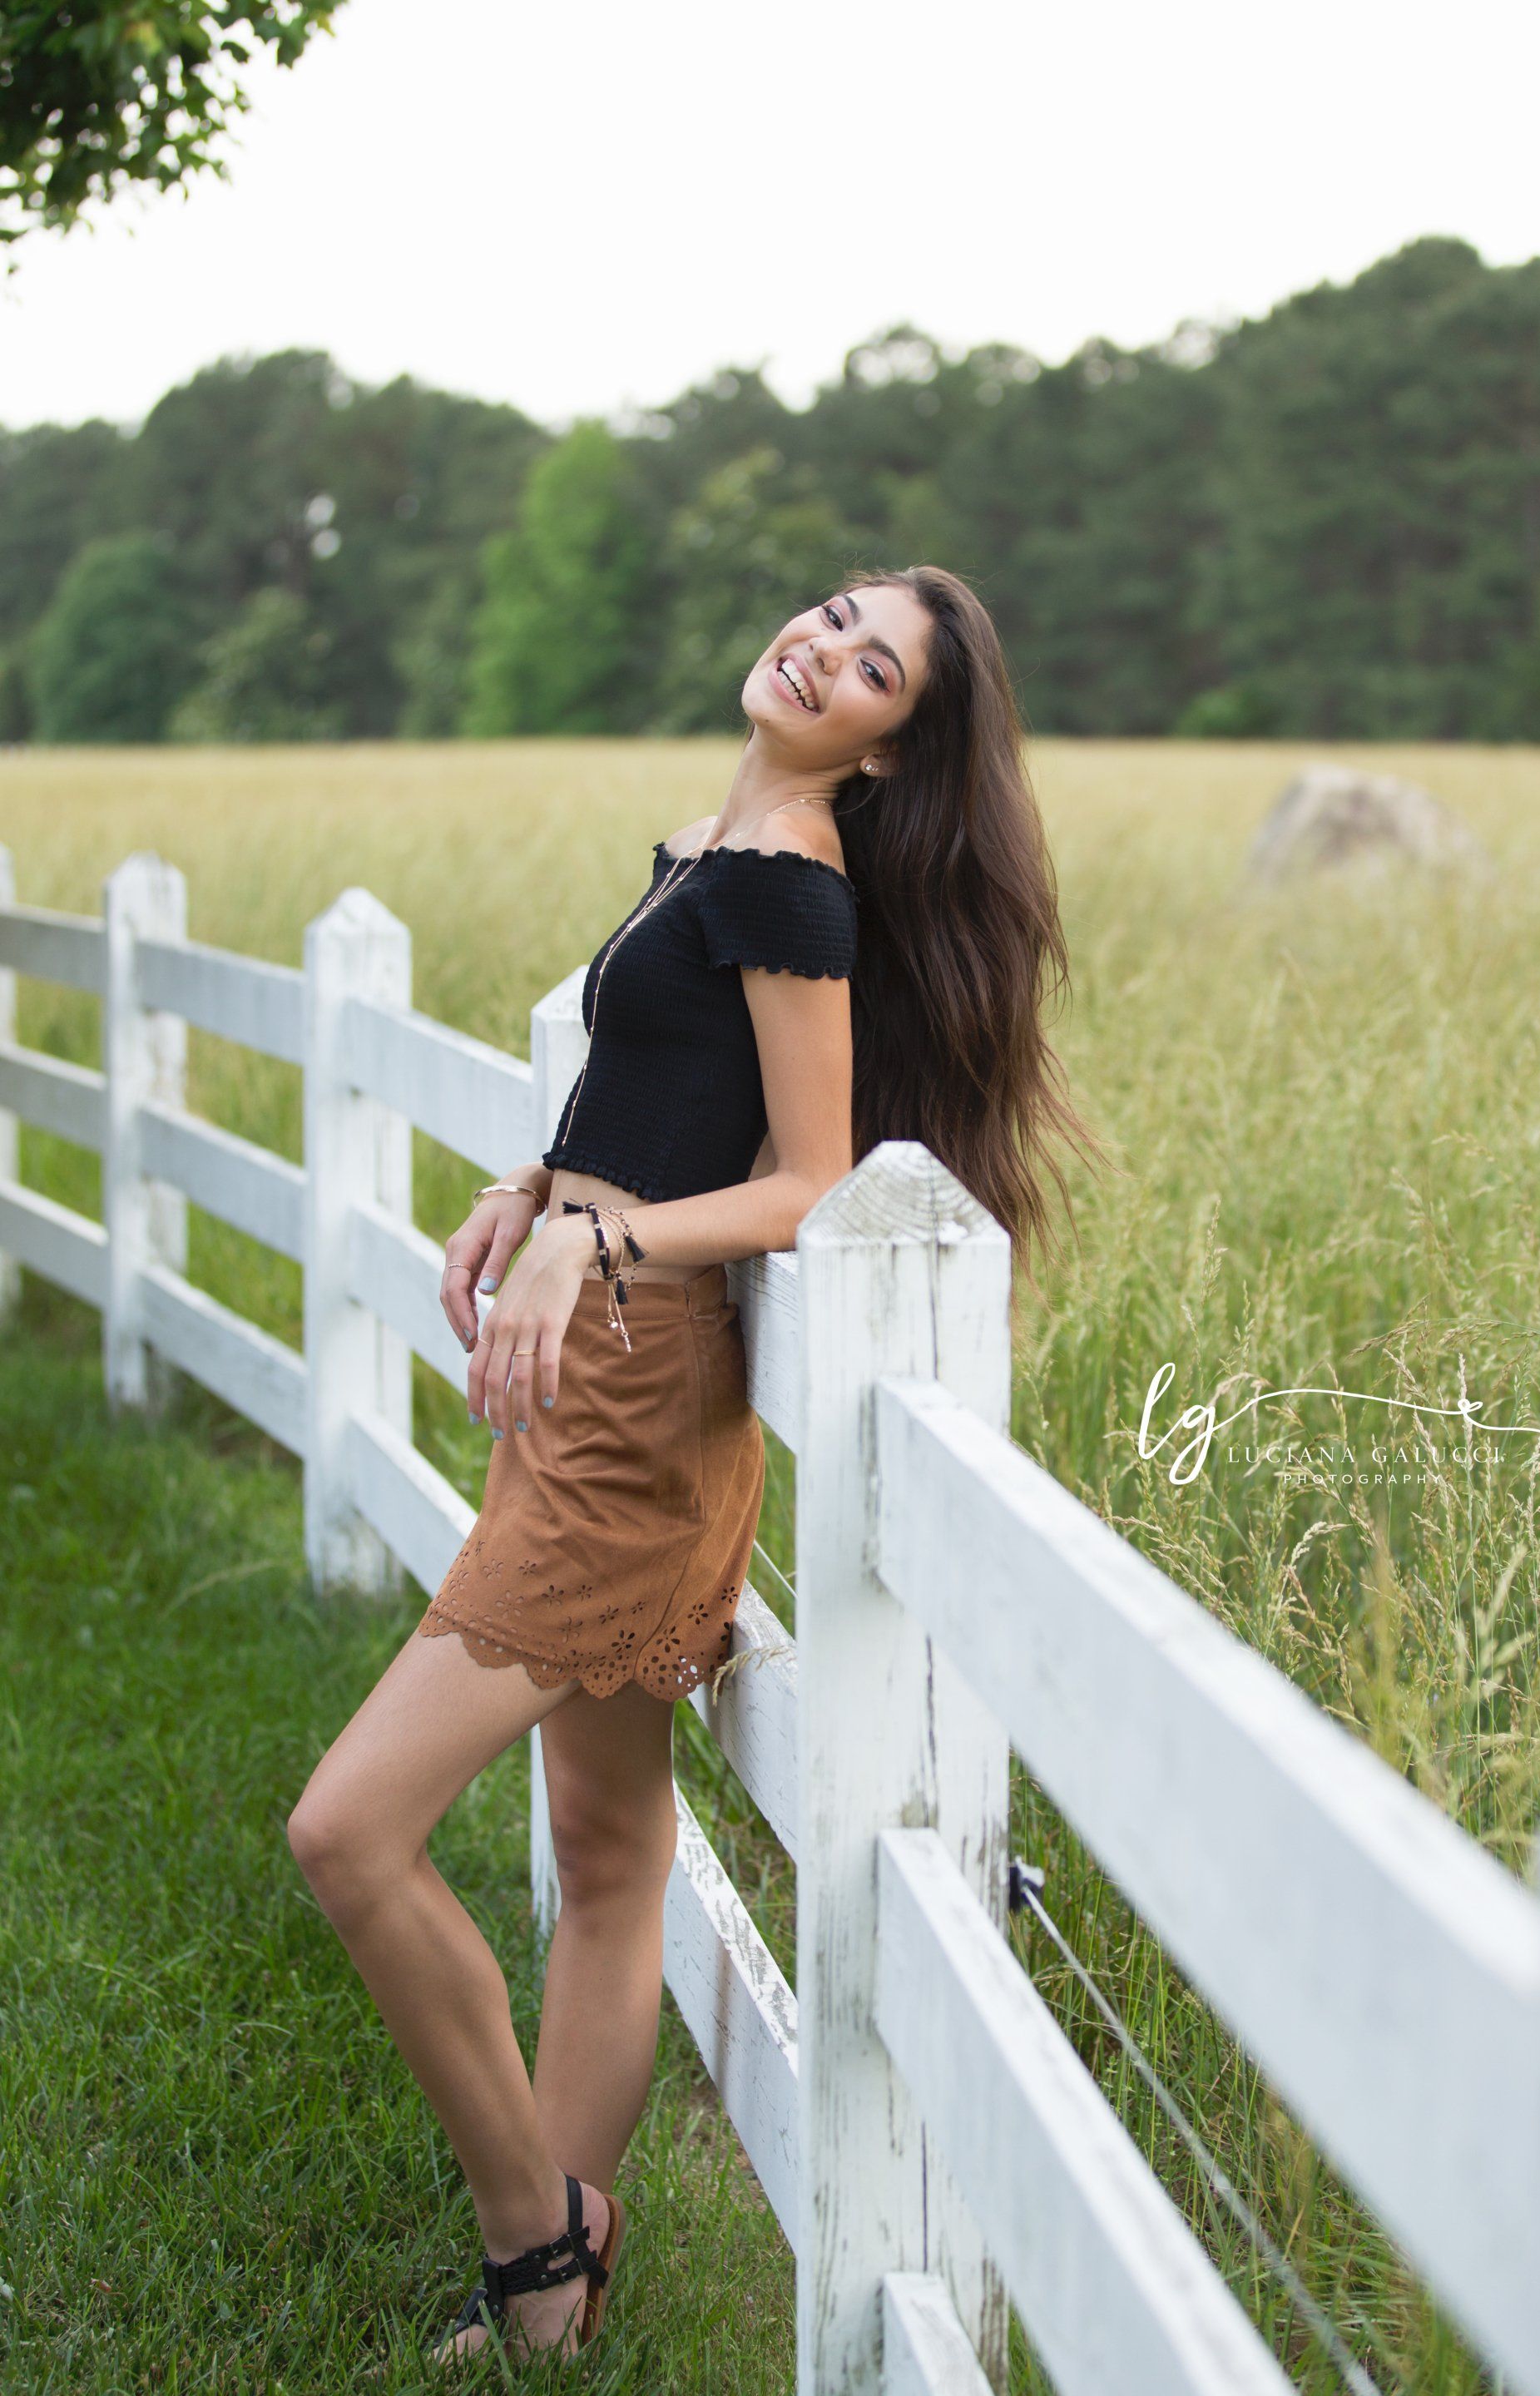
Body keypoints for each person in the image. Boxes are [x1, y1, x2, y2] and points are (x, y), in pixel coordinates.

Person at [285, 567, 1105, 2367]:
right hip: (587, 1368)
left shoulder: (789, 880)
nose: (821, 650)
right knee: (605, 1848)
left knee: (346, 1831)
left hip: (636, 1404)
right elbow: (672, 1094)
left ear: (884, 754)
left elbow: (812, 1184)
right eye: (831, 616)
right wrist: (535, 1189)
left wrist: (606, 1239)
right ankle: (556, 2324)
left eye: (871, 668)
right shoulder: (714, 850)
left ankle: (533, 2226)